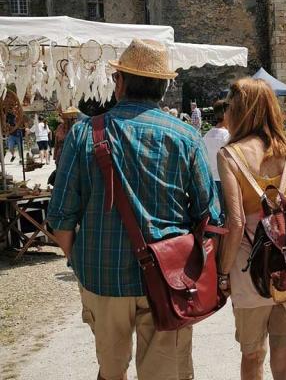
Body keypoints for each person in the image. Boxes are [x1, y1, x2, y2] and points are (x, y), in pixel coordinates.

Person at [48, 39, 222, 380]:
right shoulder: (186, 136)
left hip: (102, 274)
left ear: (120, 82)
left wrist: (80, 263)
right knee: (166, 374)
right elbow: (210, 216)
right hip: (169, 277)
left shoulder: (85, 132)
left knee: (110, 372)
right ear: (164, 86)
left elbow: (61, 217)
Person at [217, 78, 286, 380]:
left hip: (249, 269)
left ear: (238, 111)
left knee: (252, 355)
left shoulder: (230, 155)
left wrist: (223, 273)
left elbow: (235, 224)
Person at [203, 99, 230, 199]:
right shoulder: (227, 136)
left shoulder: (207, 135)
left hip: (210, 179)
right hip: (224, 180)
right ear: (225, 114)